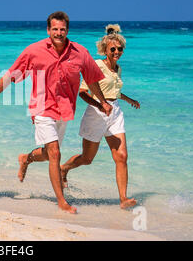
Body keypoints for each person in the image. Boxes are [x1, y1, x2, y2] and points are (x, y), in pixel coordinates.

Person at [0, 11, 112, 213]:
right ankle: (61, 201)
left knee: (47, 154)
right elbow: (11, 75)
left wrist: (102, 102)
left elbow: (92, 80)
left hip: (65, 110)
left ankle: (26, 158)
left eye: (62, 29)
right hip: (42, 108)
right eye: (55, 29)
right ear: (48, 30)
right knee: (55, 153)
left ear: (67, 30)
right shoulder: (34, 51)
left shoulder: (80, 53)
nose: (58, 33)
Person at [60, 24, 140, 209]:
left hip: (115, 112)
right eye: (113, 49)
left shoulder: (117, 69)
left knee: (122, 156)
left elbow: (114, 92)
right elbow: (83, 92)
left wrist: (129, 100)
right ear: (105, 49)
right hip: (96, 114)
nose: (117, 52)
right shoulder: (96, 65)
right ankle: (63, 168)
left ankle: (123, 199)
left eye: (120, 49)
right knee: (87, 159)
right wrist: (100, 105)